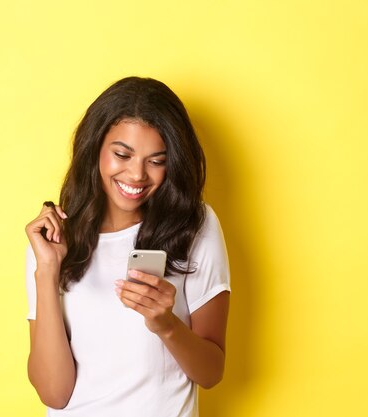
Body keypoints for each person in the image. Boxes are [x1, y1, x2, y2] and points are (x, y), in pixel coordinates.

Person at [24, 76, 231, 417]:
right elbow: (54, 394)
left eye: (156, 160)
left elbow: (211, 373)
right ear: (95, 150)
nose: (136, 175)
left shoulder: (194, 226)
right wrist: (47, 271)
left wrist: (165, 323)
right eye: (122, 154)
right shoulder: (53, 240)